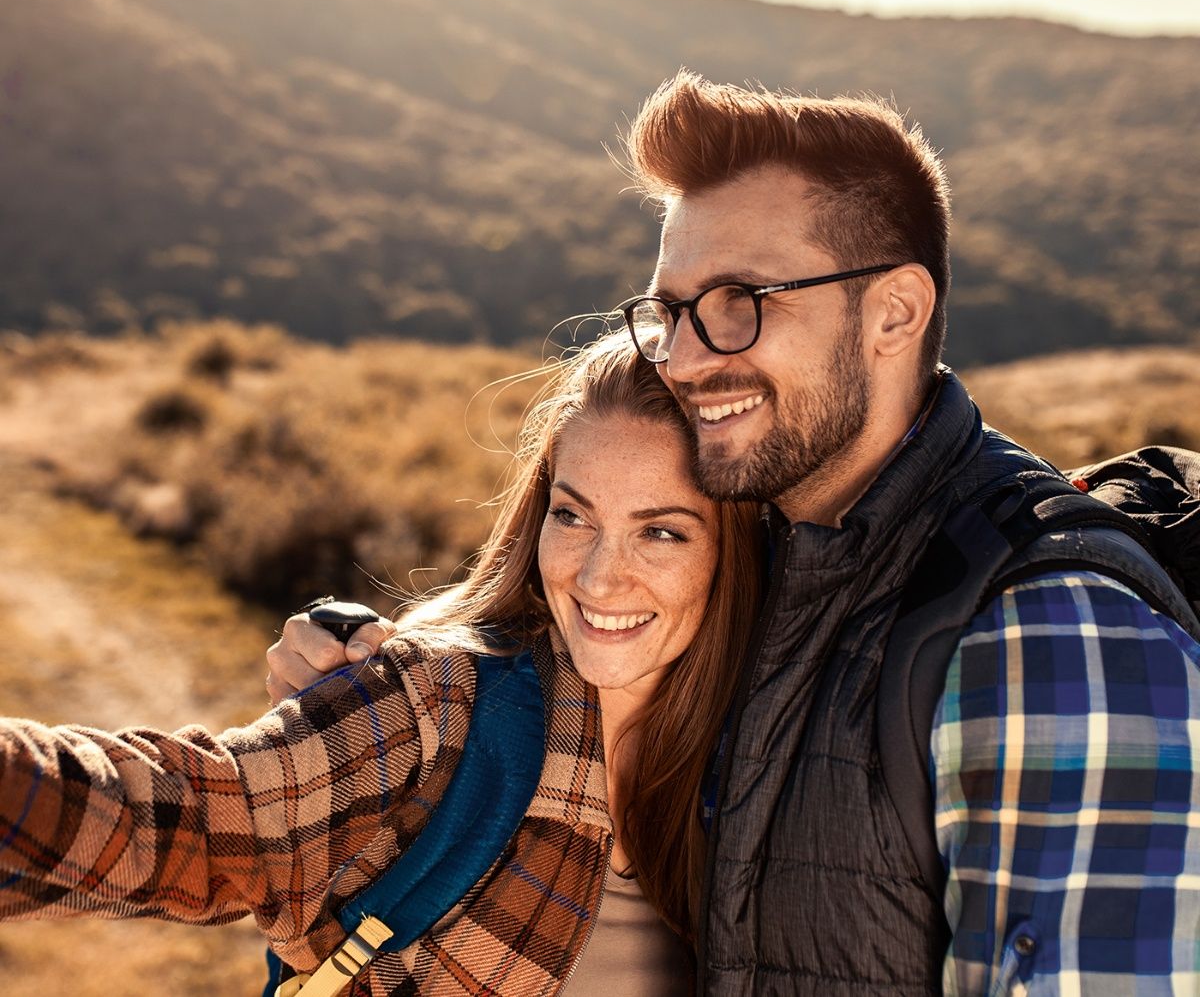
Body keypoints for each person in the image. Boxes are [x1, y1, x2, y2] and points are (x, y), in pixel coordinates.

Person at [275, 72, 1200, 994]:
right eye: (672, 311)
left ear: (895, 312)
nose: (682, 358)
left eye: (740, 302)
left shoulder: (1052, 633)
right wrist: (369, 681)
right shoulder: (768, 553)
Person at [0, 333, 763, 995]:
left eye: (662, 533)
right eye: (572, 515)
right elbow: (190, 817)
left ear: (736, 554)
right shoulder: (443, 703)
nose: (597, 578)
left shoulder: (766, 758)